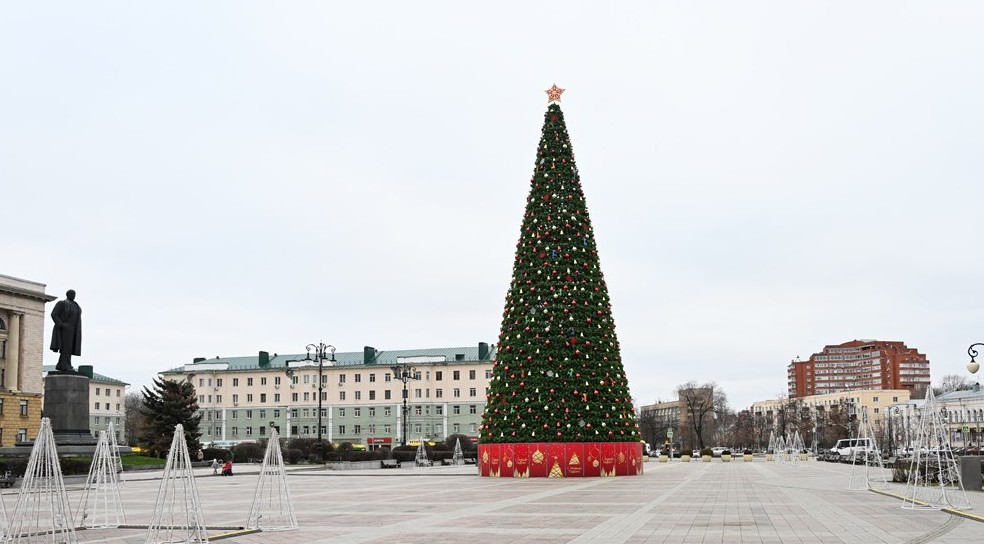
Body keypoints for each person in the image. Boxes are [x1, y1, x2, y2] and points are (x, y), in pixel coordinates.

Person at [50, 289, 82, 372]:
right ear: (67, 295)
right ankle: (65, 365)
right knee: (66, 347)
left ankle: (61, 364)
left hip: (74, 329)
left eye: (74, 294)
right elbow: (54, 314)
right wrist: (61, 324)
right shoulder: (62, 303)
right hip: (65, 329)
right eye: (71, 294)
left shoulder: (76, 305)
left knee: (70, 348)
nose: (73, 295)